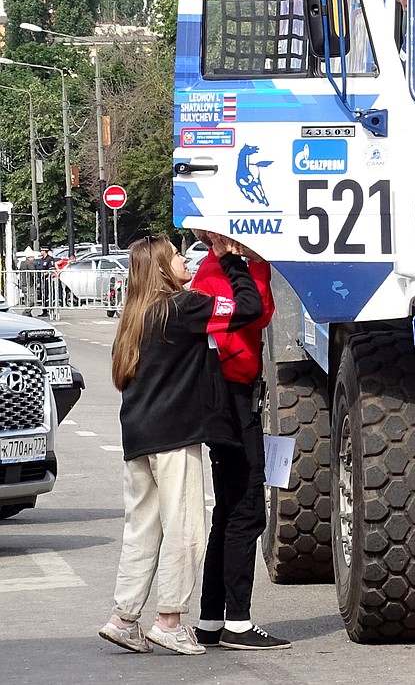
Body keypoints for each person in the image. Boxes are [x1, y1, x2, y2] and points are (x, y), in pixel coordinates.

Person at [98, 233, 263, 656]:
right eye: (175, 256)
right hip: (175, 436)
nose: (185, 261)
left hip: (137, 438)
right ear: (159, 269)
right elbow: (248, 308)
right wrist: (231, 262)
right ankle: (169, 621)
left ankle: (124, 618)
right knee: (186, 528)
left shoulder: (135, 315)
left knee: (142, 530)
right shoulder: (183, 307)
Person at [193, 232, 289, 651]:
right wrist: (233, 261)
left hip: (240, 394)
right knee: (247, 510)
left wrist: (254, 262)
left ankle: (213, 618)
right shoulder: (212, 274)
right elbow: (249, 311)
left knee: (231, 511)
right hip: (227, 396)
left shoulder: (243, 269)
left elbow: (264, 312)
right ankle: (237, 620)